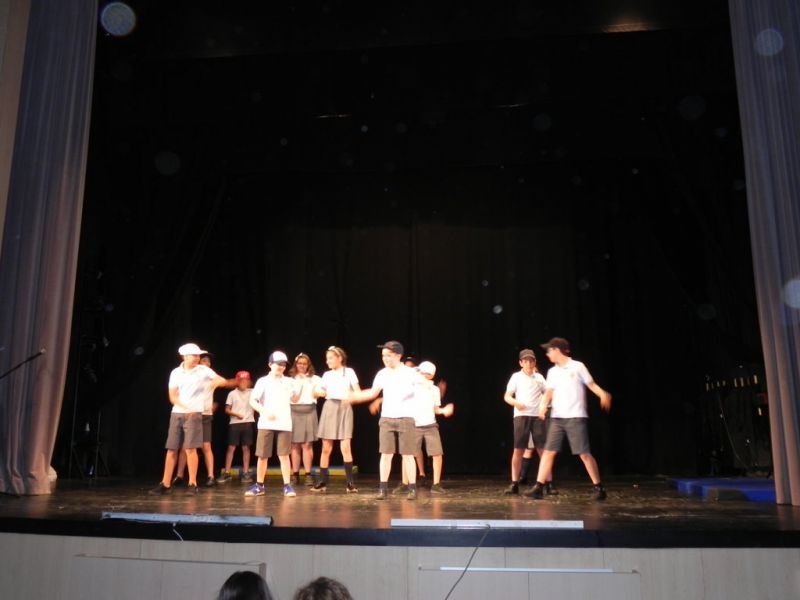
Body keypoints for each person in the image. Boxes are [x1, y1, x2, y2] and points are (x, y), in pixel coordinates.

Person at [527, 337, 612, 501]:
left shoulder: (577, 366)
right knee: (548, 452)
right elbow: (549, 393)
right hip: (557, 418)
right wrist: (542, 406)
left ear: (557, 350)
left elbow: (591, 384)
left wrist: (602, 394)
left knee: (584, 453)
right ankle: (538, 487)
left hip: (575, 416)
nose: (547, 354)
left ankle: (599, 487)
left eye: (549, 350)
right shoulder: (552, 372)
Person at [149, 343, 232, 495]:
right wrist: (184, 407)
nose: (197, 358)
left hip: (194, 414)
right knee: (172, 449)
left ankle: (192, 483)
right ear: (184, 356)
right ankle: (165, 483)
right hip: (177, 413)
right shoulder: (175, 373)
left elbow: (223, 380)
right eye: (194, 355)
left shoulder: (203, 370)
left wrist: (218, 381)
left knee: (191, 448)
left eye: (198, 355)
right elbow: (172, 396)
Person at [346, 340, 419, 500]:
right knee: (386, 454)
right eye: (383, 356)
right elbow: (373, 393)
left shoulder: (410, 373)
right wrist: (355, 397)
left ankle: (412, 488)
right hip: (386, 418)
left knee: (407, 455)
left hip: (406, 418)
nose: (385, 358)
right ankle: (383, 488)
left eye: (388, 355)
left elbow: (420, 391)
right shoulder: (382, 374)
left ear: (398, 355)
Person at [245, 351, 300, 498]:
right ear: (270, 364)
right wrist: (264, 411)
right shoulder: (263, 381)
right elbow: (252, 401)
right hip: (266, 423)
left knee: (284, 455)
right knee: (262, 455)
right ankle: (259, 485)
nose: (281, 367)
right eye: (278, 364)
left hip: (284, 423)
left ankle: (287, 485)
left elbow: (295, 399)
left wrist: (299, 386)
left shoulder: (289, 381)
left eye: (283, 364)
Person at [311, 346, 361, 493]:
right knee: (326, 447)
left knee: (346, 446)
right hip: (330, 407)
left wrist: (351, 397)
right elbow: (318, 391)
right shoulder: (326, 375)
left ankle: (350, 483)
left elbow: (358, 392)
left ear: (339, 358)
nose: (328, 361)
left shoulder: (349, 372)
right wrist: (318, 392)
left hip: (345, 407)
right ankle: (322, 481)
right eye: (327, 359)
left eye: (330, 358)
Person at [502, 349, 551, 495]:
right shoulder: (516, 377)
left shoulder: (539, 378)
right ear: (521, 363)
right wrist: (516, 403)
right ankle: (514, 483)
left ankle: (548, 483)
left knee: (543, 450)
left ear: (535, 362)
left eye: (531, 361)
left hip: (537, 417)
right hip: (521, 416)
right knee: (518, 450)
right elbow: (507, 396)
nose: (528, 363)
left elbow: (548, 393)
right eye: (525, 361)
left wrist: (544, 406)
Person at [173, 351, 220, 487]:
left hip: (205, 414)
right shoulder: (190, 375)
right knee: (185, 446)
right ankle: (179, 475)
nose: (207, 363)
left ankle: (211, 476)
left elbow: (219, 381)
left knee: (206, 445)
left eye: (208, 361)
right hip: (190, 413)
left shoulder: (210, 375)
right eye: (203, 360)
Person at [411, 361, 454, 493]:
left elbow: (435, 409)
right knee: (409, 455)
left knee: (437, 454)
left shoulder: (434, 390)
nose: (424, 375)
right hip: (414, 424)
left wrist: (444, 410)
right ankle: (408, 484)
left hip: (430, 425)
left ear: (432, 375)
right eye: (423, 373)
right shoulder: (412, 386)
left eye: (428, 374)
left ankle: (436, 484)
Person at [288, 353, 322, 486]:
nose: (302, 366)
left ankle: (308, 474)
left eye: (304, 363)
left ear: (308, 365)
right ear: (296, 365)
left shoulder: (315, 379)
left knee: (307, 444)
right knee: (294, 444)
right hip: (294, 411)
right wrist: (301, 384)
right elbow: (293, 398)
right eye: (299, 363)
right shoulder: (290, 380)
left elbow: (319, 393)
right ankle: (295, 474)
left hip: (309, 411)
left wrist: (317, 391)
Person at [217, 370, 255, 484]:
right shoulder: (232, 394)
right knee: (231, 447)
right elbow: (227, 409)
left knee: (246, 448)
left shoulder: (253, 392)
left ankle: (246, 472)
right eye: (241, 381)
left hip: (248, 422)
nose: (244, 383)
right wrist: (236, 414)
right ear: (237, 382)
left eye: (246, 380)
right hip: (235, 423)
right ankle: (227, 472)